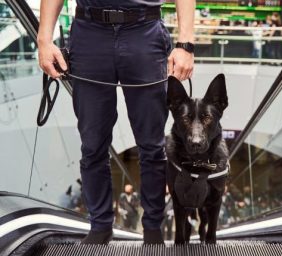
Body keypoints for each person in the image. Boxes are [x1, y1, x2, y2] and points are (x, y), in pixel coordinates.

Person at [37, 0, 195, 245]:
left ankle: (153, 228)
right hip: (90, 32)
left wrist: (185, 43)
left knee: (152, 145)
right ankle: (100, 226)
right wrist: (43, 40)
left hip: (144, 30)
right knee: (92, 145)